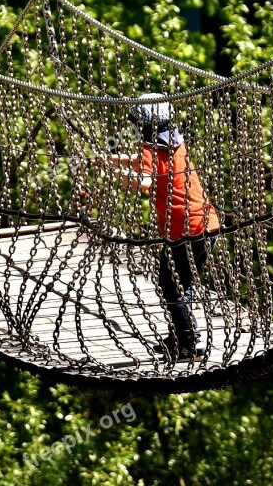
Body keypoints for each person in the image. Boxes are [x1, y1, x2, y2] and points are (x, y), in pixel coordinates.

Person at [110, 93, 220, 361]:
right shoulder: (172, 141)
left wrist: (118, 176)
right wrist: (113, 160)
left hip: (185, 229)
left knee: (170, 285)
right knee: (182, 283)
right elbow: (146, 164)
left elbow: (145, 181)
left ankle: (189, 344)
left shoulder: (150, 146)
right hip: (207, 224)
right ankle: (181, 335)